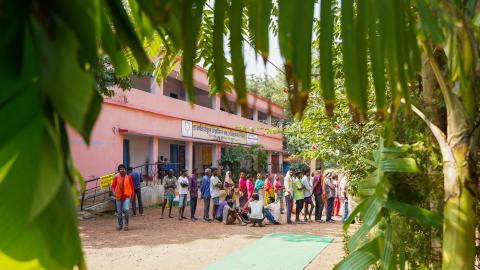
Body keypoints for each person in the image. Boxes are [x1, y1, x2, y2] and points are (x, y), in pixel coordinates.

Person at [111, 164, 134, 231]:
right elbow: (112, 186)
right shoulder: (116, 178)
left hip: (126, 196)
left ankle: (126, 225)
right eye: (120, 169)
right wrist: (113, 192)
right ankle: (120, 225)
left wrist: (132, 196)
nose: (122, 170)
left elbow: (132, 187)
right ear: (119, 171)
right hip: (118, 197)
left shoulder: (129, 177)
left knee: (126, 210)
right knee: (119, 212)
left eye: (123, 169)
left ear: (125, 170)